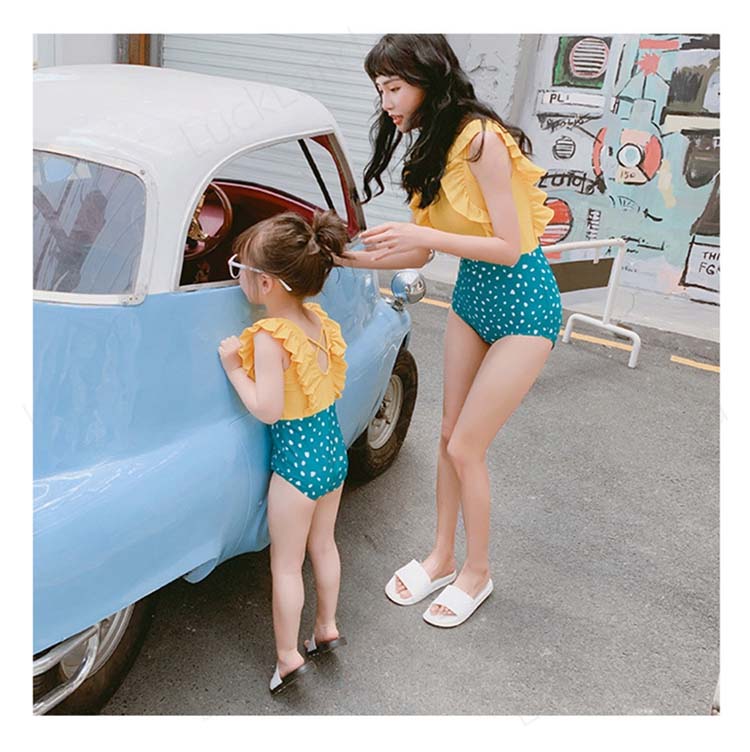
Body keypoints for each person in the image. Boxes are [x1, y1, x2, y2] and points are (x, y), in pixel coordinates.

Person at [341, 34, 562, 628]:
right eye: (380, 90)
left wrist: (425, 236)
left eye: (394, 87)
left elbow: (509, 247)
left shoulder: (481, 139)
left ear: (427, 79)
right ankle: (441, 556)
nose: (386, 102)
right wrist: (343, 258)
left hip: (525, 308)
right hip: (472, 301)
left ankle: (477, 572)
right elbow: (415, 255)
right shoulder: (430, 144)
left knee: (467, 446)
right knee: (445, 435)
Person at [218, 210, 350, 693]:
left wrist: (234, 368)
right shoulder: (318, 322)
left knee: (287, 566)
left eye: (241, 269)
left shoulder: (269, 337)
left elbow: (268, 409)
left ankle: (288, 656)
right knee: (324, 545)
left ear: (267, 282)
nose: (239, 277)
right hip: (332, 456)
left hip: (296, 468)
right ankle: (326, 627)